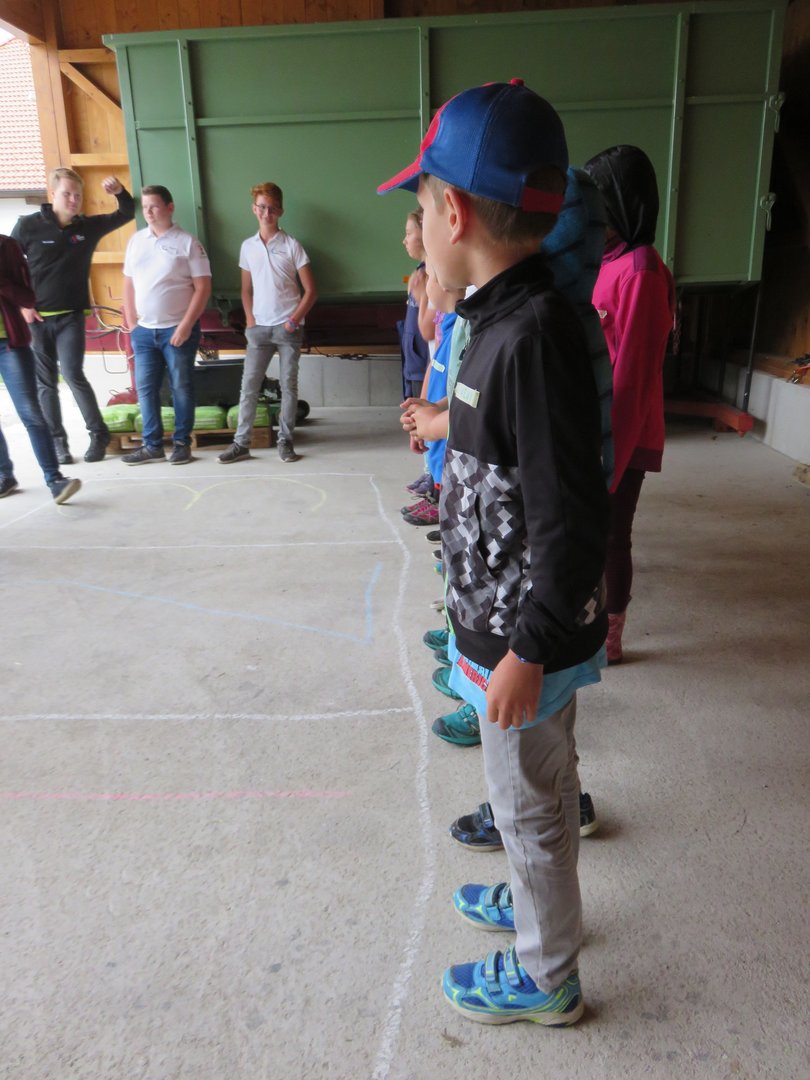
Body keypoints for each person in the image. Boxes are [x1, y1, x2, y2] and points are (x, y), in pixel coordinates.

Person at [378, 79, 608, 1026]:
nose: (419, 228)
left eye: (422, 202)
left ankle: (547, 974)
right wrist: (442, 418)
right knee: (536, 793)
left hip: (524, 640)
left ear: (455, 212)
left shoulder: (532, 333)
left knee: (529, 805)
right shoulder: (497, 315)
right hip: (505, 629)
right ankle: (532, 906)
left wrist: (527, 650)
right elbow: (495, 431)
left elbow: (572, 518)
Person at [583, 146, 676, 663]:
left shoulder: (641, 270)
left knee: (613, 535)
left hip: (624, 429)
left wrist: (611, 459)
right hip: (597, 425)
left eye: (598, 202)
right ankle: (589, 619)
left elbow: (635, 376)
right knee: (590, 532)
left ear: (624, 202)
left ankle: (610, 637)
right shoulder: (606, 261)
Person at [11, 168, 135, 464]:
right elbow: (7, 264)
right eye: (67, 194)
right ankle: (58, 443)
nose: (73, 200)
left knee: (72, 373)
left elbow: (126, 213)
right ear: (53, 194)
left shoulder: (87, 228)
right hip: (37, 320)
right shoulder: (28, 226)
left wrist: (119, 191)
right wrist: (22, 306)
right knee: (45, 383)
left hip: (71, 317)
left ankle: (98, 434)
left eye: (77, 195)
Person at [218, 183, 317, 465]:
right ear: (254, 209)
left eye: (272, 208)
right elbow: (245, 289)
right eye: (262, 207)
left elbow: (311, 291)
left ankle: (285, 441)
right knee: (249, 387)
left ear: (280, 211)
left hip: (287, 328)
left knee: (288, 386)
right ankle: (241, 443)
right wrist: (250, 320)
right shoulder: (247, 247)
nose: (266, 213)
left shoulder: (292, 245)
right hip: (258, 329)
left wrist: (293, 321)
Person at [121, 185, 212, 466]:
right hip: (144, 332)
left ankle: (182, 444)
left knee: (181, 386)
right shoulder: (136, 241)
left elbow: (203, 287)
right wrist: (132, 323)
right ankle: (152, 446)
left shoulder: (188, 243)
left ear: (170, 208)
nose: (148, 212)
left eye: (155, 206)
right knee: (146, 388)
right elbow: (128, 283)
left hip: (177, 329)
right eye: (145, 207)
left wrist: (186, 325)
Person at [0, 234, 81, 504]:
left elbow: (27, 296)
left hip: (9, 345)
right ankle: (4, 476)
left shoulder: (6, 246)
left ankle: (55, 480)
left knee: (31, 414)